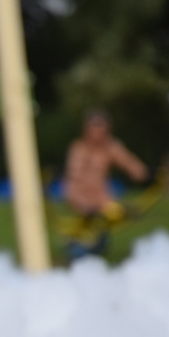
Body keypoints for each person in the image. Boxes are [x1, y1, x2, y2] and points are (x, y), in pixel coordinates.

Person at [61, 110, 148, 259]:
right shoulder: (78, 149)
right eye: (93, 128)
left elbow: (130, 164)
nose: (97, 133)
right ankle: (77, 245)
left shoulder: (110, 147)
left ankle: (93, 245)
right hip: (79, 195)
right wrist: (79, 200)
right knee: (86, 231)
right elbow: (72, 179)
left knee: (110, 219)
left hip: (101, 196)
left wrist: (139, 171)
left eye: (101, 128)